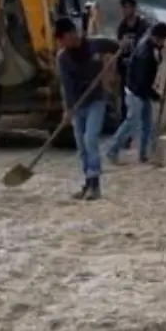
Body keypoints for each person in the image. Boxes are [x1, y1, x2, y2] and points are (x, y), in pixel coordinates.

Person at [107, 22, 166, 165]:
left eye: (164, 39)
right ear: (155, 38)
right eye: (162, 39)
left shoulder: (152, 41)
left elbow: (165, 32)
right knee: (132, 122)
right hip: (135, 92)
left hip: (142, 91)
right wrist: (158, 97)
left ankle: (144, 155)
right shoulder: (145, 55)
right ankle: (112, 150)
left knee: (147, 124)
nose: (163, 42)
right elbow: (142, 83)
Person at [55, 17, 108, 200]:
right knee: (82, 146)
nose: (60, 44)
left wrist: (123, 47)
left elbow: (118, 47)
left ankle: (96, 185)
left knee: (90, 138)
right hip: (77, 105)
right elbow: (66, 86)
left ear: (70, 35)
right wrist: (67, 109)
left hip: (96, 100)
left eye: (62, 39)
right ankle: (88, 182)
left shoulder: (94, 45)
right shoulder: (63, 57)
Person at [115, 0, 151, 146]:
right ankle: (125, 139)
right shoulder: (121, 27)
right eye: (123, 7)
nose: (125, 10)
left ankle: (144, 139)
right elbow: (118, 48)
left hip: (140, 71)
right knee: (125, 105)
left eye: (127, 7)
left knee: (143, 104)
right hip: (125, 70)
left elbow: (149, 42)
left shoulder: (142, 26)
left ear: (133, 8)